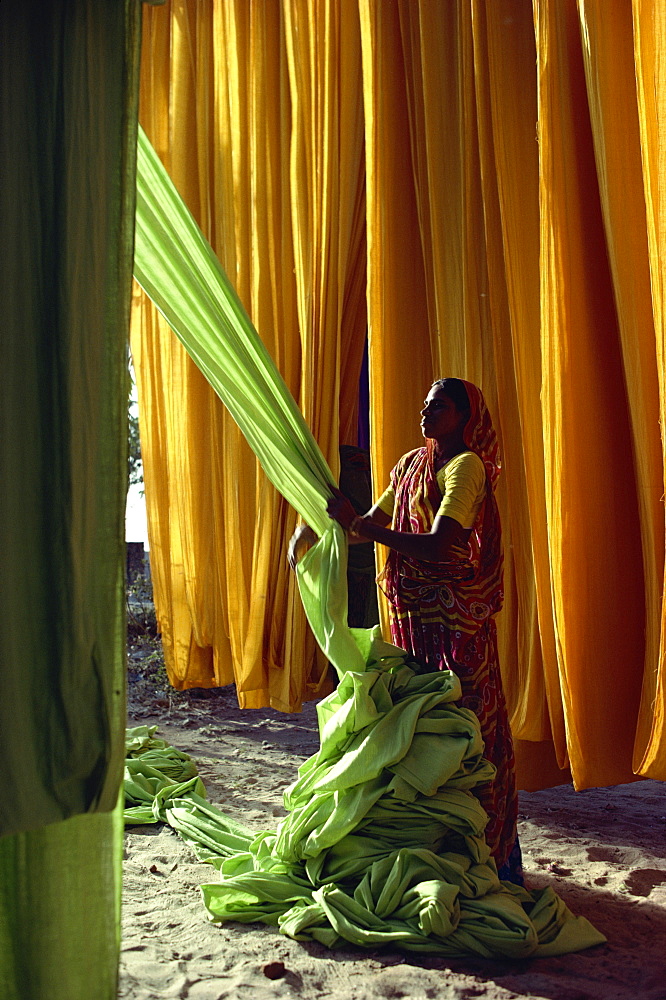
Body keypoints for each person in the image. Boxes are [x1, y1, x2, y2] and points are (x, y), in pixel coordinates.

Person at [288, 378, 521, 882]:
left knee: (468, 732)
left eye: (437, 404)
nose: (425, 409)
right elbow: (364, 523)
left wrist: (361, 527)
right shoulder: (411, 465)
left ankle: (495, 859)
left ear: (463, 417)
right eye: (424, 401)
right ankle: (439, 855)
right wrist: (319, 526)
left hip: (458, 625)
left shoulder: (466, 468)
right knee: (421, 730)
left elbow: (441, 544)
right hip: (413, 621)